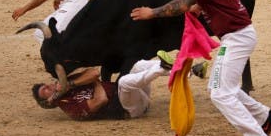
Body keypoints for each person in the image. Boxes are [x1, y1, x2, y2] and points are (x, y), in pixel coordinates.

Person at [130, 0, 271, 136]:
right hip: (237, 36)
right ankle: (266, 117)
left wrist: (152, 12)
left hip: (237, 38)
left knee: (220, 93)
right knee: (219, 87)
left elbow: (181, 5)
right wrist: (202, 5)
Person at [32, 51, 174, 120]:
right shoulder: (71, 109)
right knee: (124, 82)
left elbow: (94, 72)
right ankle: (161, 68)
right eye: (45, 90)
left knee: (134, 66)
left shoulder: (69, 83)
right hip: (130, 109)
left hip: (138, 96)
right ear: (50, 101)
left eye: (47, 85)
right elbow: (101, 100)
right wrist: (94, 82)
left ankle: (179, 69)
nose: (49, 86)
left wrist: (70, 84)